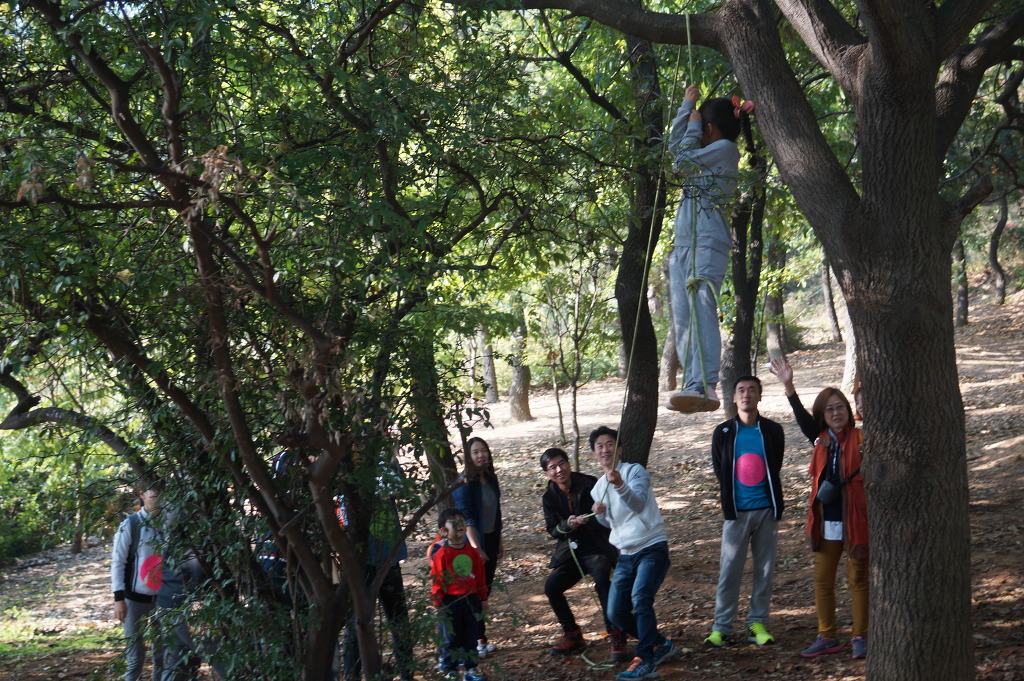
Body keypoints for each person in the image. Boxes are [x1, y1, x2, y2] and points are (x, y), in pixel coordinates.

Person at [770, 358, 869, 660]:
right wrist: (789, 386)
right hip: (828, 520)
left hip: (857, 520)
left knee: (858, 579)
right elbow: (802, 419)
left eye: (840, 407)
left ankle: (860, 636)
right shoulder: (821, 440)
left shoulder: (863, 437)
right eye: (830, 409)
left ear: (848, 411)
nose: (836, 412)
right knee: (823, 579)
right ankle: (827, 636)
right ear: (822, 416)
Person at [665, 85, 754, 413]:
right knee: (683, 315)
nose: (695, 132)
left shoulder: (726, 149)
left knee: (701, 308)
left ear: (709, 129)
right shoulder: (703, 153)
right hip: (685, 244)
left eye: (699, 127)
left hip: (708, 243)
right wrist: (686, 107)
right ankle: (694, 382)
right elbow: (676, 151)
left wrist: (691, 124)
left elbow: (682, 161)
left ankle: (708, 383)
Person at [589, 426, 677, 680]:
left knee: (640, 599)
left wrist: (619, 485)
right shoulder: (597, 488)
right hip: (626, 554)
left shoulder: (634, 471)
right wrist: (600, 514)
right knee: (615, 611)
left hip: (652, 546)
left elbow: (637, 503)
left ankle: (646, 660)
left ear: (619, 449)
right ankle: (660, 643)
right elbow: (610, 524)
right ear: (594, 454)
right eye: (599, 446)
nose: (605, 450)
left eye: (609, 444)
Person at [704, 376, 785, 648]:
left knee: (764, 571)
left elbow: (776, 464)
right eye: (741, 391)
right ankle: (721, 628)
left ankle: (757, 623)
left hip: (766, 511)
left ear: (760, 396)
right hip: (736, 514)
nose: (747, 394)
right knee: (729, 571)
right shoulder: (724, 432)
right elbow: (719, 468)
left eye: (752, 390)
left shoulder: (772, 430)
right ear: (735, 398)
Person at [539, 447, 625, 660]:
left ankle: (616, 633)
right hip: (572, 552)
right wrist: (568, 525)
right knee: (552, 587)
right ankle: (573, 634)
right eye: (553, 467)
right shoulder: (549, 497)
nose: (559, 470)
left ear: (569, 464)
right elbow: (553, 531)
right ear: (546, 473)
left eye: (562, 463)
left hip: (598, 547)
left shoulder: (589, 483)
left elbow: (608, 514)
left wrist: (593, 517)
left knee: (602, 580)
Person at [340, 465, 414, 681]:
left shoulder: (383, 463)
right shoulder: (346, 470)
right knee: (358, 624)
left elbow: (403, 489)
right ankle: (353, 675)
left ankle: (406, 674)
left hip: (389, 561)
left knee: (399, 621)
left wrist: (389, 460)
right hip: (362, 564)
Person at [452, 437, 503, 658]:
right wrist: (476, 548)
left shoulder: (490, 478)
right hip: (473, 544)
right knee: (474, 595)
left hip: (490, 540)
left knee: (484, 593)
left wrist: (499, 540)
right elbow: (467, 519)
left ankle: (480, 639)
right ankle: (472, 643)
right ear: (468, 457)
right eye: (475, 452)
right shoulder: (464, 484)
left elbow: (496, 512)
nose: (481, 455)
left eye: (484, 451)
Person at [111, 484, 165, 681]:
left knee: (162, 655)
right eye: (153, 497)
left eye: (161, 497)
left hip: (163, 599)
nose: (157, 501)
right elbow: (118, 562)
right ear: (142, 496)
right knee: (135, 658)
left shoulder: (168, 525)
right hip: (133, 600)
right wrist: (119, 598)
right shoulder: (130, 525)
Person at [430, 508, 488, 681]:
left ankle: (471, 667)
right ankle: (450, 667)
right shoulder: (442, 553)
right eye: (453, 522)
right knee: (450, 635)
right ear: (443, 531)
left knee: (471, 633)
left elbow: (480, 576)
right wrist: (438, 602)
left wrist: (483, 597)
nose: (459, 525)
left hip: (470, 599)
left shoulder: (471, 551)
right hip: (450, 601)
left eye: (462, 521)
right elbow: (437, 580)